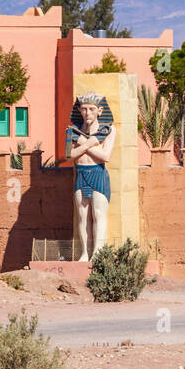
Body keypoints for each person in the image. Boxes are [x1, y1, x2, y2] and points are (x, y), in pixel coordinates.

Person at [67, 92, 117, 262]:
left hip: (98, 173)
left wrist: (84, 143)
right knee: (82, 216)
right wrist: (88, 143)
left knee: (98, 214)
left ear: (100, 111)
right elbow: (69, 155)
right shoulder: (72, 131)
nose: (87, 113)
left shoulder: (108, 130)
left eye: (91, 109)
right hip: (81, 173)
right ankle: (84, 253)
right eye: (83, 109)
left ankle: (97, 253)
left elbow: (105, 156)